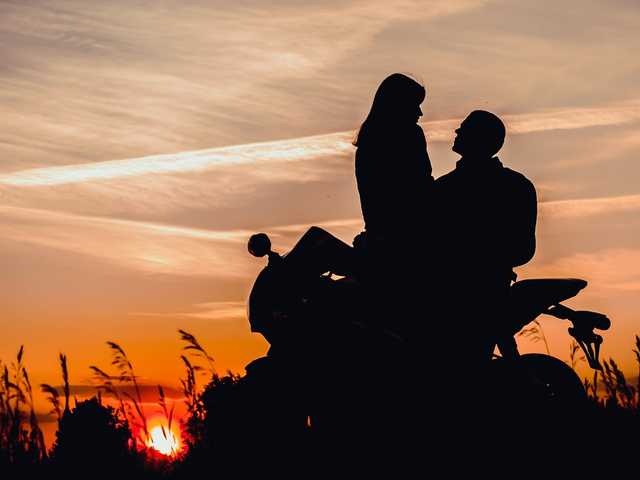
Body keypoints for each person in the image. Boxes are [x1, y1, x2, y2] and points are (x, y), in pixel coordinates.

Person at [433, 109, 537, 372]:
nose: (457, 131)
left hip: (479, 292)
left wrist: (477, 259)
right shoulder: (443, 188)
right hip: (453, 288)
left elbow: (523, 248)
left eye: (465, 128)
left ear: (480, 139)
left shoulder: (513, 186)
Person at [352, 73, 434, 340]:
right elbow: (422, 187)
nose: (420, 113)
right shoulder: (410, 135)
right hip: (408, 242)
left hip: (380, 239)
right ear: (399, 105)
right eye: (415, 105)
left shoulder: (368, 141)